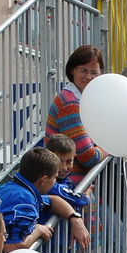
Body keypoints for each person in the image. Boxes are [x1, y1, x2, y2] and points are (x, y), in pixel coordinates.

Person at [45, 45, 107, 188]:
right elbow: (89, 156)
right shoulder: (70, 103)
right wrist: (111, 146)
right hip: (70, 189)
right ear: (72, 70)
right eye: (83, 70)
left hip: (78, 188)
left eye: (94, 72)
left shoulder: (86, 100)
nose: (89, 77)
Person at [0, 147, 62, 253]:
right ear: (43, 180)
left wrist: (74, 217)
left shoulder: (8, 188)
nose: (55, 182)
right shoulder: (24, 201)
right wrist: (38, 230)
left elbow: (52, 200)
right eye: (55, 177)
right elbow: (12, 249)